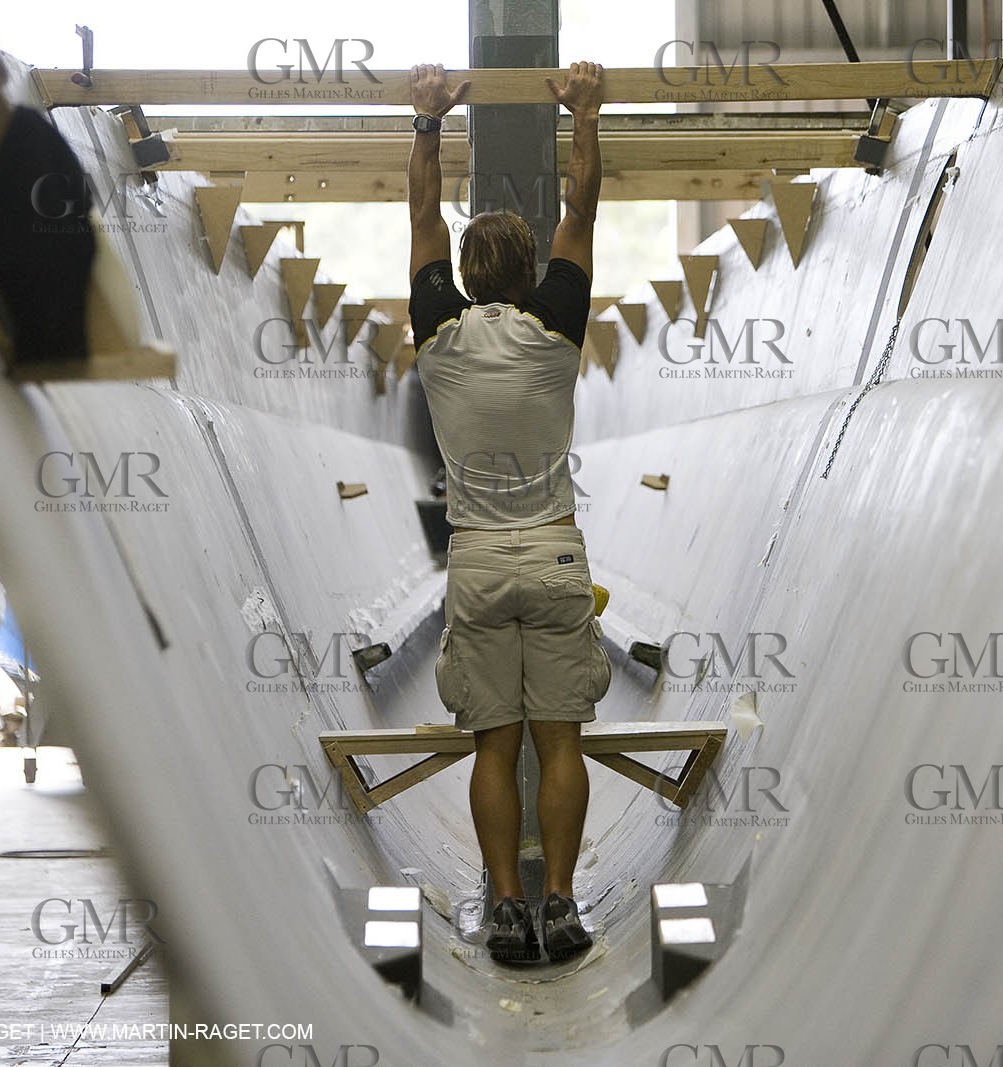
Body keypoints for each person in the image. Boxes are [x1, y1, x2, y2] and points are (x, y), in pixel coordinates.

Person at [405, 61, 609, 964]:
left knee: (496, 747)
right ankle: (560, 902)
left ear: (461, 274)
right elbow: (584, 207)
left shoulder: (439, 337)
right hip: (557, 555)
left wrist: (426, 122)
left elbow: (419, 216)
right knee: (560, 741)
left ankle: (504, 908)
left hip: (478, 558)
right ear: (530, 273)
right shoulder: (557, 326)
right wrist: (584, 113)